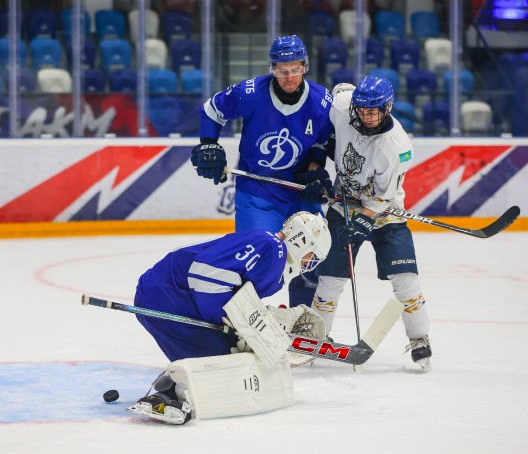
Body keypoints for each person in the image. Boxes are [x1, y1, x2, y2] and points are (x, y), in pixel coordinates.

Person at [128, 211, 332, 424]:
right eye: (313, 256)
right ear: (302, 240)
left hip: (174, 296)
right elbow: (204, 274)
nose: (310, 263)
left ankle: (172, 384)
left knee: (233, 355)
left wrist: (255, 319)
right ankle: (167, 395)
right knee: (227, 363)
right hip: (167, 296)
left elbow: (230, 288)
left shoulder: (273, 255)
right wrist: (233, 321)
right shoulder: (271, 248)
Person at [191, 34, 335, 309]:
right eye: (282, 71)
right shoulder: (250, 92)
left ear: (305, 67)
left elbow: (323, 139)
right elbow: (211, 111)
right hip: (258, 194)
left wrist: (316, 170)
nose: (289, 77)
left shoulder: (321, 102)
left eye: (295, 70)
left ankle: (302, 324)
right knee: (252, 260)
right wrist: (209, 144)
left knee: (310, 264)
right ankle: (244, 323)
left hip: (301, 194)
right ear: (272, 69)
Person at [308, 76, 432, 370]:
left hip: (386, 213)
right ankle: (314, 341)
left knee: (406, 281)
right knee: (330, 280)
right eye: (361, 108)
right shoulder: (341, 107)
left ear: (388, 107)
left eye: (374, 110)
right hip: (343, 206)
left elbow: (381, 200)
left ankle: (420, 339)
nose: (366, 115)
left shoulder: (397, 146)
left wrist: (364, 221)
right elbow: (321, 136)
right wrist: (316, 171)